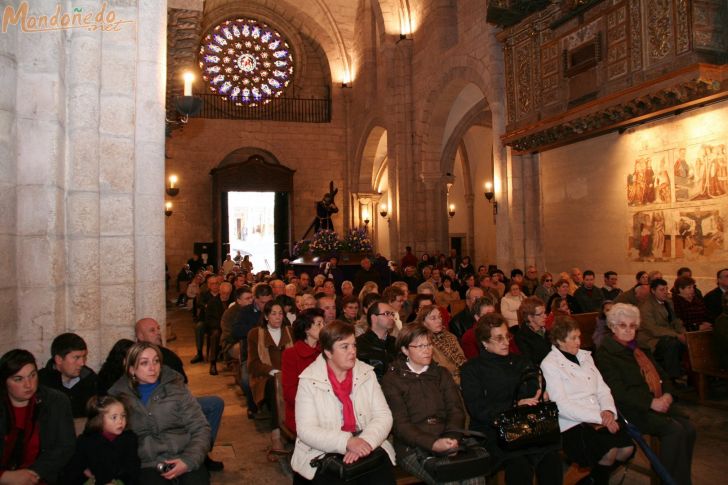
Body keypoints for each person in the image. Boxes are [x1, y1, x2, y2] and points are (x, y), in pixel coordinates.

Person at [594, 303, 695, 485]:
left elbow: (663, 375)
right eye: (623, 326)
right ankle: (670, 481)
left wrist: (668, 395)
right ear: (613, 327)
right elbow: (617, 391)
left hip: (654, 401)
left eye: (632, 326)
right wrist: (650, 403)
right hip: (630, 409)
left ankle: (682, 481)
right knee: (674, 430)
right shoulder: (606, 354)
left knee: (689, 428)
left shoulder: (639, 348)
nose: (628, 330)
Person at [460, 314, 562, 485]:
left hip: (526, 425)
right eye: (499, 338)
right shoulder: (472, 369)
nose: (506, 342)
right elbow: (478, 409)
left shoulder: (519, 361)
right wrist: (514, 406)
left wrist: (538, 394)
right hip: (493, 429)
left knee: (550, 457)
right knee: (519, 462)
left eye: (507, 336)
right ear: (484, 343)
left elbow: (531, 390)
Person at [291, 321, 396, 484]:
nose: (352, 351)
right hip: (323, 450)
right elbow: (306, 430)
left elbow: (383, 416)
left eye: (354, 345)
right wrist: (346, 442)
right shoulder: (309, 380)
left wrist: (365, 442)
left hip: (367, 442)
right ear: (328, 352)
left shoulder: (366, 374)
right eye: (344, 347)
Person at [382, 323, 484, 485]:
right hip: (413, 447)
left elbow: (456, 410)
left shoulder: (441, 373)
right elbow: (400, 425)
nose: (427, 349)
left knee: (474, 477)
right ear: (405, 350)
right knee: (448, 480)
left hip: (448, 437)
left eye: (429, 344)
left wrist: (451, 438)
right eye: (420, 346)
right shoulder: (392, 380)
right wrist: (433, 444)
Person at [541, 317, 633, 485]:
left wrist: (608, 411)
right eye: (573, 338)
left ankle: (591, 480)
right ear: (560, 341)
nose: (579, 342)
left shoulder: (585, 357)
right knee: (610, 451)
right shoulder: (550, 363)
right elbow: (561, 405)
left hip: (600, 415)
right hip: (573, 422)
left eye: (579, 336)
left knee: (627, 449)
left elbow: (603, 389)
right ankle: (597, 480)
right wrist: (600, 417)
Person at [108, 342, 211, 484]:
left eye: (156, 361)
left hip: (183, 455)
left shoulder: (176, 387)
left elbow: (200, 428)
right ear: (131, 369)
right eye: (144, 363)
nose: (152, 368)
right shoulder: (118, 397)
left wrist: (188, 461)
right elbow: (107, 437)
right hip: (146, 465)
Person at [0, 349, 76, 484]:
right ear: (5, 382)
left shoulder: (56, 401)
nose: (28, 384)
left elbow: (65, 446)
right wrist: (5, 477)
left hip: (41, 476)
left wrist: (33, 474)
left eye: (32, 375)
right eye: (18, 379)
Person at [247, 301, 294, 453]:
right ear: (266, 316)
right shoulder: (256, 334)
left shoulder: (290, 331)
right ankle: (276, 434)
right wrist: (272, 371)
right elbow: (253, 364)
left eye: (280, 313)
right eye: (273, 314)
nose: (278, 317)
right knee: (276, 385)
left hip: (290, 375)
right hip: (265, 378)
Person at [63, 395, 141, 485]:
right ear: (99, 419)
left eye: (123, 416)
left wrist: (119, 482)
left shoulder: (129, 439)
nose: (120, 421)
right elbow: (73, 471)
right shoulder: (86, 441)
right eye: (114, 417)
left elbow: (133, 470)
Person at [281, 308, 324, 434]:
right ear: (306, 329)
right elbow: (289, 393)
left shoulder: (326, 351)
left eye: (323, 323)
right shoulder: (291, 354)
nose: (324, 327)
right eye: (319, 324)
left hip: (326, 408)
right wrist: (318, 402)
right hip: (302, 412)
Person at [37, 333, 98, 420]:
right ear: (59, 359)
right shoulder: (41, 382)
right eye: (76, 357)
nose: (82, 363)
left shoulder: (89, 378)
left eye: (84, 356)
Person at [638, 278, 686, 380]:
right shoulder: (646, 306)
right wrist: (676, 335)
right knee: (672, 344)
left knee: (688, 341)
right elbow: (653, 329)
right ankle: (673, 378)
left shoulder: (668, 302)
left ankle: (688, 374)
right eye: (661, 290)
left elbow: (675, 320)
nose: (665, 292)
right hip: (651, 339)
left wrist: (683, 332)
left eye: (666, 289)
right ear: (653, 291)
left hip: (667, 335)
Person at [415, 305, 466, 384]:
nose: (439, 320)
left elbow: (464, 360)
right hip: (445, 384)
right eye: (433, 318)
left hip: (463, 378)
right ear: (423, 322)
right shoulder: (423, 344)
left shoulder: (450, 336)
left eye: (439, 317)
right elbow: (438, 374)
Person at [357, 301, 397, 382]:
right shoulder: (359, 344)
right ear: (374, 318)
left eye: (392, 314)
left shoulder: (396, 343)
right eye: (387, 314)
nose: (392, 318)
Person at [513, 297, 550, 365]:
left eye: (544, 312)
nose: (545, 316)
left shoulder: (546, 330)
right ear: (530, 317)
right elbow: (530, 362)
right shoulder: (522, 337)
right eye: (540, 314)